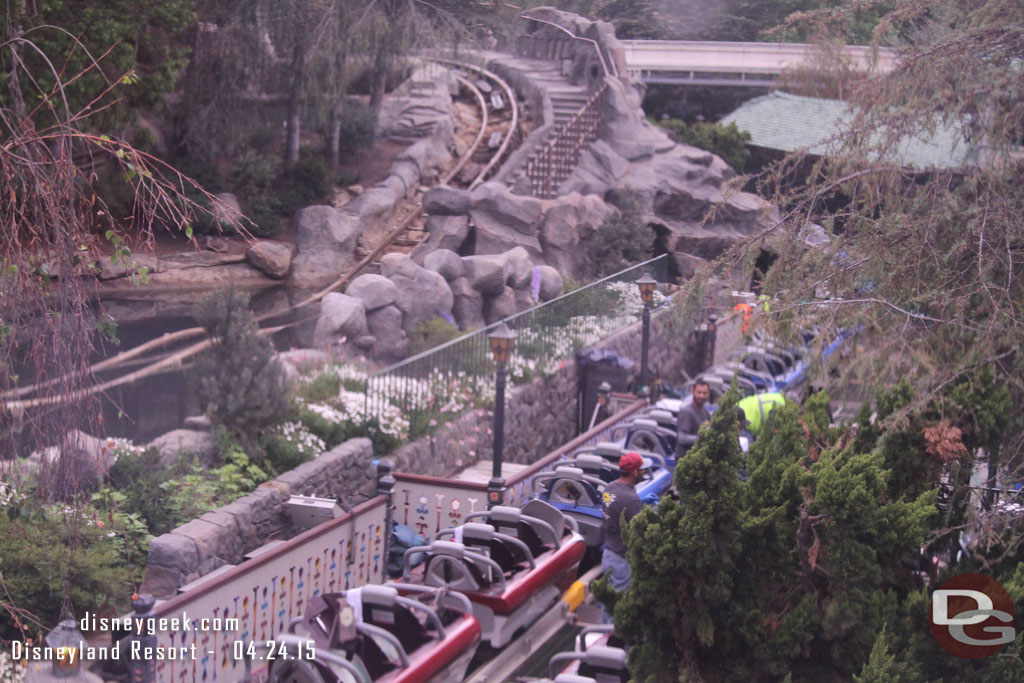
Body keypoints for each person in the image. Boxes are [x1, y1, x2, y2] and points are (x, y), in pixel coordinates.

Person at [601, 451, 652, 622]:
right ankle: (612, 642)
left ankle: (603, 637)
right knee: (619, 608)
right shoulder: (631, 500)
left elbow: (617, 507)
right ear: (635, 473)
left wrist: (641, 501)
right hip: (622, 560)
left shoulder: (609, 488)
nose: (644, 473)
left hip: (608, 554)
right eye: (642, 470)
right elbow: (639, 532)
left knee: (608, 602)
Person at [676, 379, 711, 457]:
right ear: (692, 392)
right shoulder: (687, 413)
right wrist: (705, 438)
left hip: (699, 460)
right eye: (699, 392)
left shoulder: (706, 413)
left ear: (708, 394)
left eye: (704, 393)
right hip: (686, 461)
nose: (701, 396)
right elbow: (682, 438)